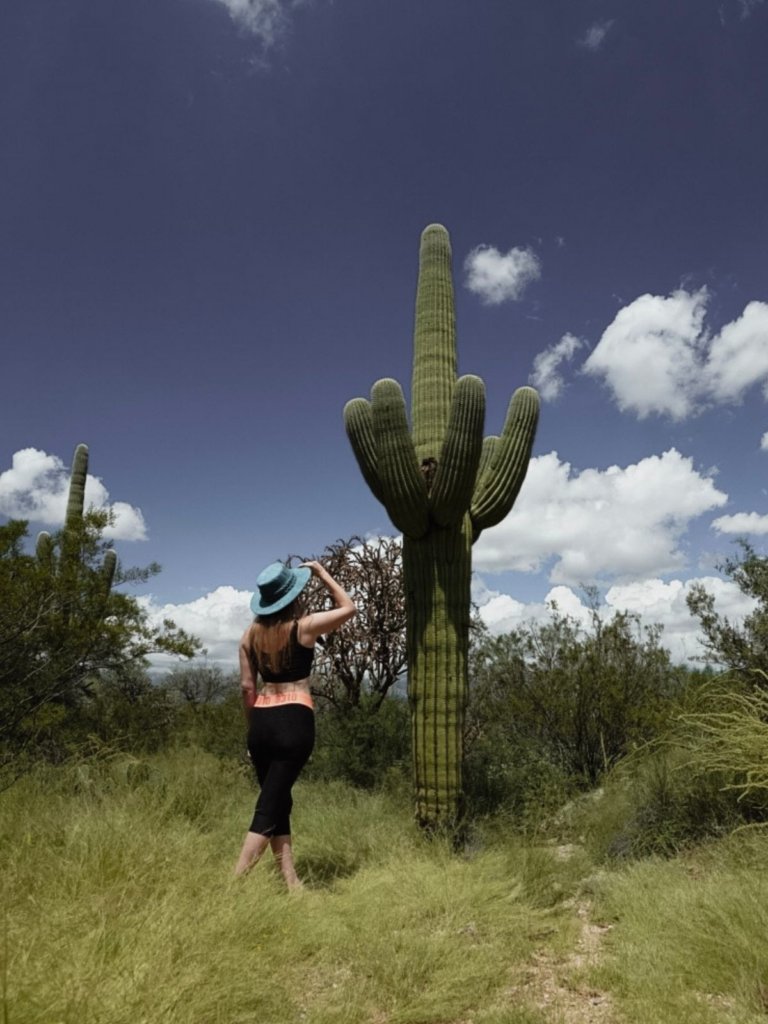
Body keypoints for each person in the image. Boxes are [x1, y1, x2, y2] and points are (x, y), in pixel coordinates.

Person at [235, 558, 356, 884]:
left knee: (278, 801)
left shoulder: (249, 635)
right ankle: (232, 886)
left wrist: (251, 731)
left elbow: (248, 687)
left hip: (261, 721)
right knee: (268, 809)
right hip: (294, 719)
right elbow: (348, 607)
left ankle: (292, 884)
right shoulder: (303, 626)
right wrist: (321, 573)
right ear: (292, 596)